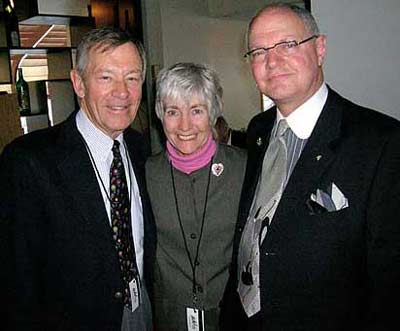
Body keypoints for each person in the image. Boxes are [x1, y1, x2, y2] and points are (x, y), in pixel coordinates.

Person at [220, 3, 400, 331]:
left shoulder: (381, 142)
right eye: (258, 52)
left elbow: (390, 280)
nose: (272, 61)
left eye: (288, 45)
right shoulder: (258, 130)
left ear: (319, 48)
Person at [0, 27, 155, 331]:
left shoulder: (141, 148)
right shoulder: (29, 161)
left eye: (132, 78)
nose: (122, 92)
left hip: (142, 311)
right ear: (78, 83)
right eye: (106, 77)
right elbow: (15, 280)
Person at [145, 62, 246, 330]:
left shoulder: (245, 168)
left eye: (196, 110)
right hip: (169, 316)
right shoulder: (145, 173)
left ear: (213, 113)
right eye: (173, 111)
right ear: (160, 115)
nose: (184, 125)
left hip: (232, 313)